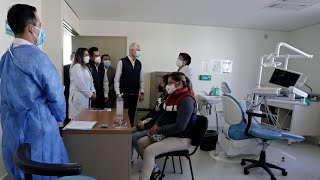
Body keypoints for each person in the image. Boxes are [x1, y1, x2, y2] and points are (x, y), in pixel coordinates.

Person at [0, 4, 68, 179]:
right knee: (43, 172)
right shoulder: (37, 58)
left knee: (21, 170)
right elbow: (56, 96)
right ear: (31, 28)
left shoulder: (6, 57)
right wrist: (60, 118)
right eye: (40, 24)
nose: (41, 29)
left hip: (12, 129)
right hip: (39, 130)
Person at [138, 72, 197, 180]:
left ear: (178, 83)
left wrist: (159, 129)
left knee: (149, 151)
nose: (167, 86)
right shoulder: (172, 96)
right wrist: (156, 124)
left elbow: (180, 127)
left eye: (170, 83)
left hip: (182, 137)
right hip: (170, 133)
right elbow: (164, 113)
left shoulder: (186, 100)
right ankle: (155, 171)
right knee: (140, 142)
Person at [131, 74, 169, 162]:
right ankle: (130, 158)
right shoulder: (163, 95)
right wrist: (143, 119)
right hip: (152, 123)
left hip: (157, 126)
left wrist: (145, 125)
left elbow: (159, 117)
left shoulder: (169, 98)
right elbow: (154, 111)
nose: (159, 85)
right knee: (130, 131)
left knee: (135, 137)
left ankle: (149, 162)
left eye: (161, 83)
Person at [114, 42, 144, 127]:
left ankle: (128, 134)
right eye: (138, 50)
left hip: (134, 94)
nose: (139, 52)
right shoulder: (122, 62)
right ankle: (121, 134)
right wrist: (117, 93)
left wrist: (142, 92)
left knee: (131, 116)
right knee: (121, 116)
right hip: (123, 95)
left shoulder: (139, 63)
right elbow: (116, 79)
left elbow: (141, 79)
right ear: (131, 50)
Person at [69, 48, 96, 119]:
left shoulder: (85, 67)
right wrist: (90, 94)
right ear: (80, 56)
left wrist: (93, 91)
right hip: (79, 98)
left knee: (85, 118)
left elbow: (91, 81)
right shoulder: (76, 67)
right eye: (85, 55)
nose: (88, 57)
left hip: (86, 97)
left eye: (88, 55)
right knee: (78, 119)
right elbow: (80, 84)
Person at [63, 52, 75, 125]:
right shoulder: (65, 68)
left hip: (78, 94)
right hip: (67, 91)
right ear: (70, 58)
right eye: (73, 57)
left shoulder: (83, 68)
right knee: (67, 110)